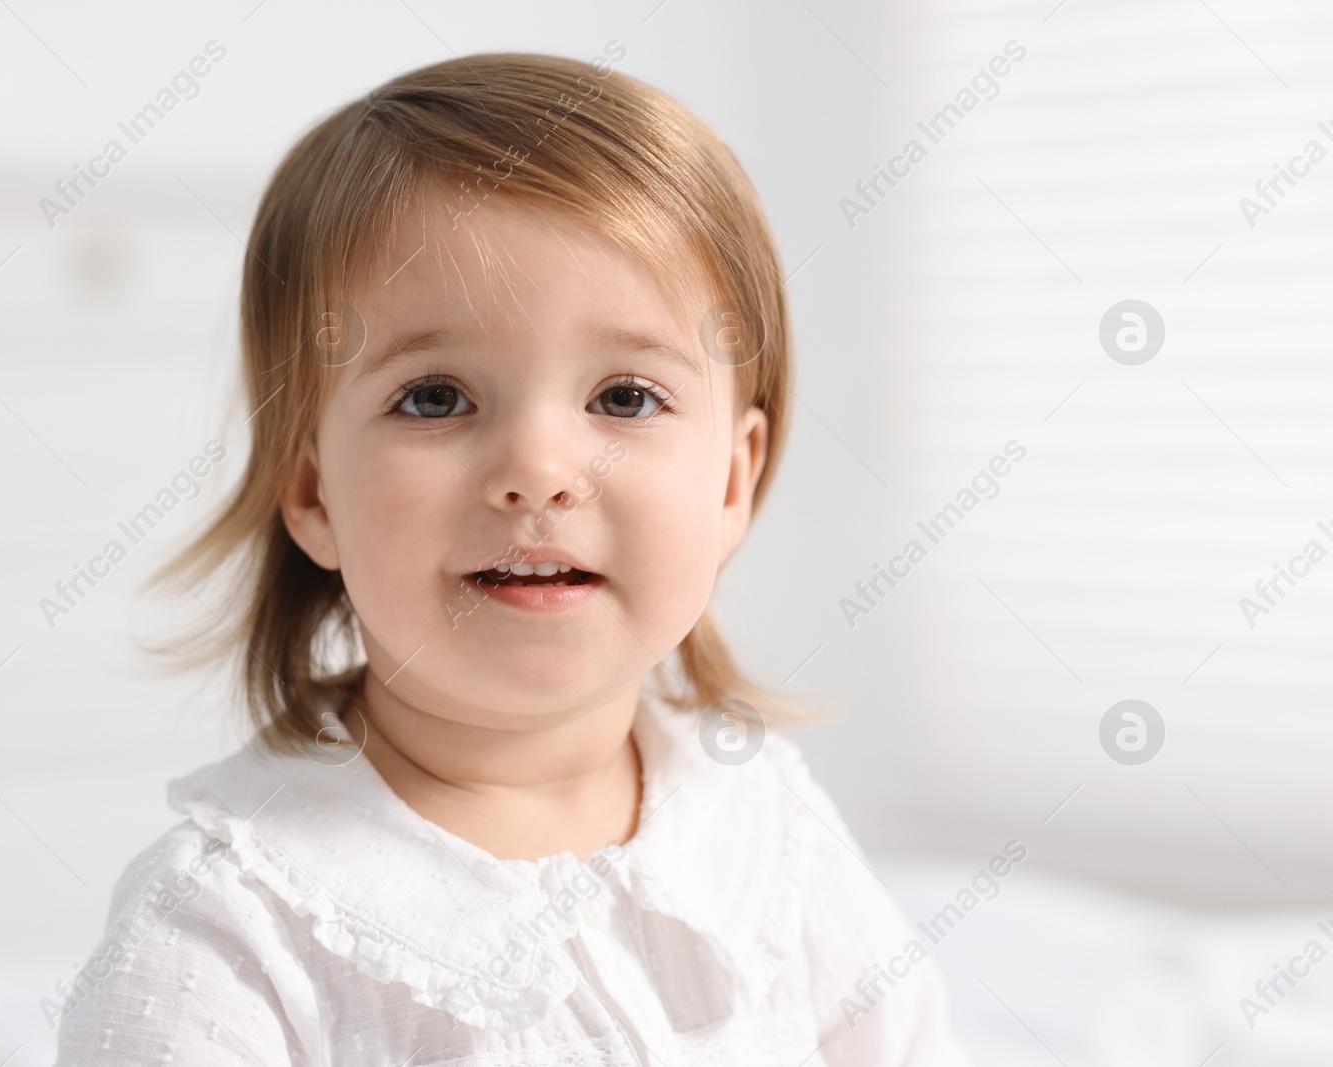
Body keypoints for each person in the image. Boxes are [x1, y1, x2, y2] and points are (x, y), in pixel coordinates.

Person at [54, 49, 972, 1066]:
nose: (536, 472)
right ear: (311, 489)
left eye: (623, 396)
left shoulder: (766, 832)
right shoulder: (227, 925)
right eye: (434, 396)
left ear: (728, 483)